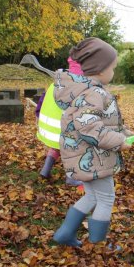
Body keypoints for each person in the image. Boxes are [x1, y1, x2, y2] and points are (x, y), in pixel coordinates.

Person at [52, 37, 132, 247]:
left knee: (91, 197)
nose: (113, 72)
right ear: (100, 68)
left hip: (88, 156)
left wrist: (125, 133)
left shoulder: (90, 90)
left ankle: (64, 235)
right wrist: (119, 142)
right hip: (94, 158)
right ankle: (98, 246)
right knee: (106, 199)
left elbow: (105, 121)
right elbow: (89, 128)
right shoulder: (93, 93)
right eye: (112, 67)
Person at [36, 57, 84, 187]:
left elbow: (41, 103)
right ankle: (71, 178)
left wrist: (38, 116)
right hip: (64, 130)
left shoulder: (55, 84)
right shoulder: (77, 88)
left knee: (56, 147)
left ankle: (45, 171)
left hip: (50, 130)